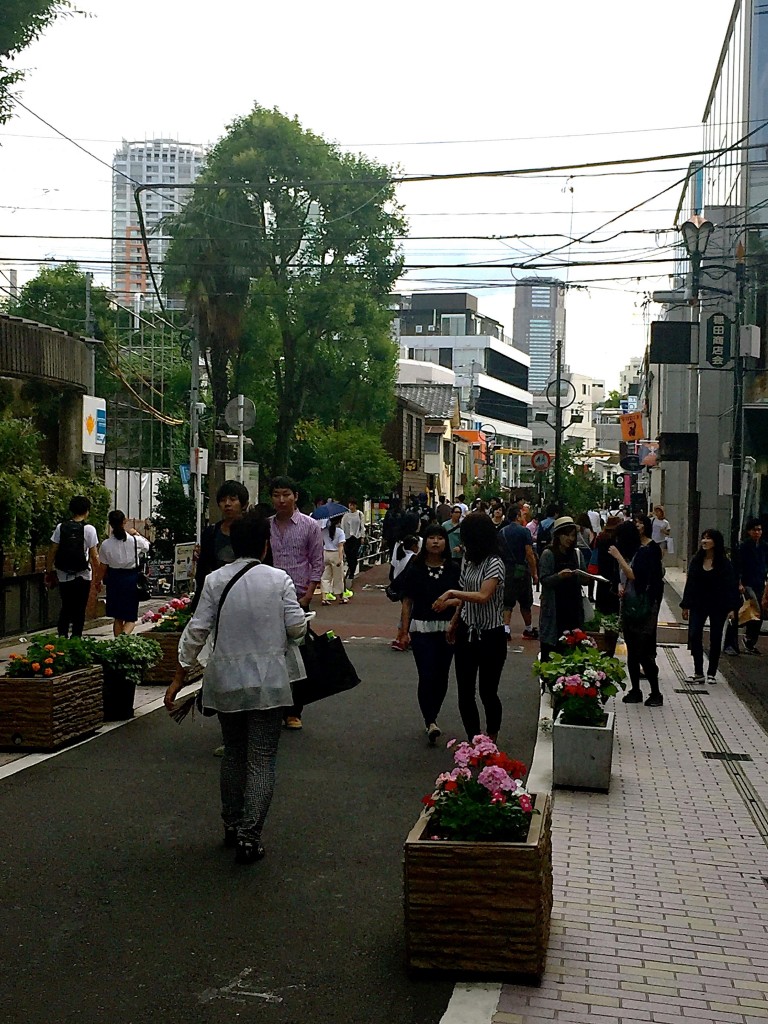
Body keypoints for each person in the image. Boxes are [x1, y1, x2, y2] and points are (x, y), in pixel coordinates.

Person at [164, 510, 307, 865]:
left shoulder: (214, 580)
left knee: (233, 753)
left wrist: (180, 675)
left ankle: (231, 823)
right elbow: (296, 629)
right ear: (265, 545)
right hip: (268, 683)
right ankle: (250, 835)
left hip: (225, 681)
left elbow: (196, 630)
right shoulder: (279, 580)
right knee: (261, 758)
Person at [433, 512, 506, 742]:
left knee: (487, 691)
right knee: (465, 691)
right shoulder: (468, 560)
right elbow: (466, 596)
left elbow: (483, 595)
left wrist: (452, 593)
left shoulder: (495, 562)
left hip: (491, 634)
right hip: (467, 630)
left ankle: (491, 737)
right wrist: (455, 621)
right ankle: (475, 739)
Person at [396, 524, 461, 744]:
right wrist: (403, 631)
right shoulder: (415, 568)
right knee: (426, 673)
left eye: (440, 538)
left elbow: (463, 598)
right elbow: (407, 602)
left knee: (442, 675)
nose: (435, 542)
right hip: (421, 627)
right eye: (431, 538)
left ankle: (434, 713)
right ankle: (430, 720)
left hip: (447, 628)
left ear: (445, 542)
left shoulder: (454, 568)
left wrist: (450, 605)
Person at [268, 476, 324, 731]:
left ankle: (294, 710)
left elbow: (317, 561)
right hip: (267, 596)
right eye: (277, 495)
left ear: (295, 496)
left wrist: (308, 595)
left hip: (297, 596)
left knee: (296, 654)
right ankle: (271, 706)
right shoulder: (265, 526)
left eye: (286, 494)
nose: (281, 500)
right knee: (270, 653)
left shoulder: (310, 526)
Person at [609, 517, 665, 707]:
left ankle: (656, 692)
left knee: (642, 650)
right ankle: (635, 690)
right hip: (631, 604)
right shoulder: (634, 552)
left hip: (645, 606)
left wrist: (618, 556)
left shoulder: (646, 552)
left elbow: (635, 576)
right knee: (632, 650)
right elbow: (625, 577)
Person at [680, 529, 739, 684]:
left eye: (708, 539)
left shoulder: (724, 563)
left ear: (716, 542)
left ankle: (712, 671)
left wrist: (732, 608)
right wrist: (685, 605)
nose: (704, 541)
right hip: (698, 604)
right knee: (694, 634)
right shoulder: (696, 560)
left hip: (718, 604)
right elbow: (690, 584)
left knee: (715, 636)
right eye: (703, 538)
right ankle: (698, 671)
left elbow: (730, 586)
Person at [190, 481, 249, 611]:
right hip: (216, 595)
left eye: (233, 499)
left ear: (244, 504)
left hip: (246, 593)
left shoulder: (253, 532)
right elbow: (203, 568)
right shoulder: (211, 533)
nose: (227, 504)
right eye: (223, 500)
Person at [46, 495, 100, 638]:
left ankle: (62, 638)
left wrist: (48, 570)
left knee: (66, 607)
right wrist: (99, 576)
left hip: (63, 574)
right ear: (87, 511)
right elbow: (94, 556)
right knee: (80, 609)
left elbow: (52, 550)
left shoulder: (61, 527)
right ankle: (76, 638)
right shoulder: (89, 529)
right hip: (83, 574)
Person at [538, 516, 586, 660]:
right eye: (566, 535)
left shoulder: (577, 554)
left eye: (572, 535)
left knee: (572, 651)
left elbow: (584, 577)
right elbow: (544, 580)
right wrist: (559, 576)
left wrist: (585, 577)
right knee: (551, 652)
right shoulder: (548, 554)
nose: (570, 539)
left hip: (573, 609)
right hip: (554, 610)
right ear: (558, 535)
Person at [98, 510, 151, 636]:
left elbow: (103, 566)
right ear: (125, 521)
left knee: (118, 617)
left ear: (110, 523)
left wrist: (97, 581)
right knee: (131, 617)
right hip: (131, 579)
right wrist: (137, 533)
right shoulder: (134, 540)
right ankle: (123, 638)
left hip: (114, 580)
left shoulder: (105, 545)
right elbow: (147, 546)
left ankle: (119, 643)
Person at [725, 518, 768, 656]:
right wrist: (739, 583)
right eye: (755, 529)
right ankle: (740, 638)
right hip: (747, 583)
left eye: (759, 529)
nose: (757, 532)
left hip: (760, 583)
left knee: (756, 613)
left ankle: (749, 640)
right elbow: (738, 567)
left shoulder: (764, 546)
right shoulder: (743, 547)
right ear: (749, 531)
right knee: (756, 610)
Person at [498, 504, 539, 641]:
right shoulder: (524, 532)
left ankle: (505, 629)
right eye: (522, 515)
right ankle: (528, 629)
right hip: (522, 570)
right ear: (517, 516)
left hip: (506, 569)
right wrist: (534, 573)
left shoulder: (502, 532)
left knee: (507, 601)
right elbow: (529, 553)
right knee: (525, 601)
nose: (523, 517)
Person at [389, 534, 421, 651]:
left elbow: (392, 572)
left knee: (405, 612)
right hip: (409, 587)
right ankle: (403, 637)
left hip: (400, 587)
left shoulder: (399, 555)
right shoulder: (413, 558)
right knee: (409, 613)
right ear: (413, 546)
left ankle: (399, 636)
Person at [594, 516, 622, 615]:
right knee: (613, 602)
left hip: (601, 571)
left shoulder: (601, 537)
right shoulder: (616, 539)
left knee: (602, 594)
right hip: (613, 572)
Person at [320, 515, 346, 605]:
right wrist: (340, 558)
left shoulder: (324, 531)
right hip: (335, 554)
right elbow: (340, 546)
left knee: (325, 577)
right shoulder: (340, 532)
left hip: (325, 553)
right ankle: (341, 598)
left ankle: (324, 597)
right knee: (338, 577)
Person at [341, 499, 365, 598]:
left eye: (352, 505)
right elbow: (342, 526)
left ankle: (351, 572)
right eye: (350, 505)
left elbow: (362, 526)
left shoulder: (360, 514)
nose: (351, 507)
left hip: (356, 537)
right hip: (347, 538)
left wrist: (362, 536)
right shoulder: (345, 515)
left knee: (354, 555)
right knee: (349, 554)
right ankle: (351, 570)